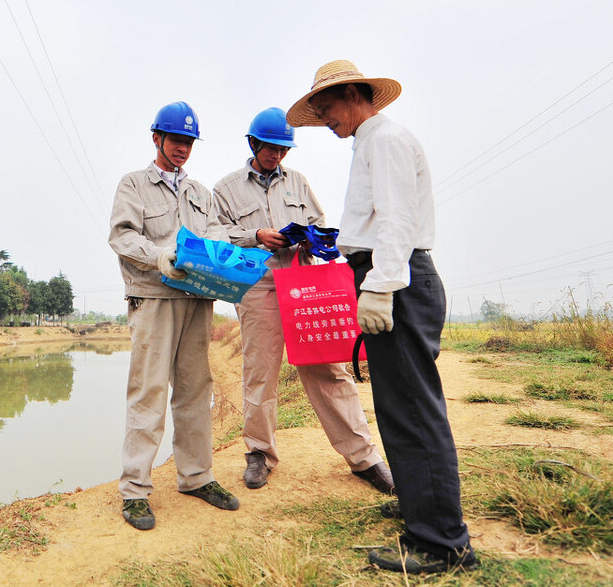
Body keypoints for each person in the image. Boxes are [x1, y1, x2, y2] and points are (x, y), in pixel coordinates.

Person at [286, 60, 479, 574]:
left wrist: (380, 286)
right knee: (397, 406)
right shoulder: (369, 143)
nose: (324, 119)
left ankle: (442, 544)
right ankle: (422, 508)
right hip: (384, 278)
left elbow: (397, 220)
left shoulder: (385, 140)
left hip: (396, 281)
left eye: (326, 109)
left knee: (413, 408)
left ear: (353, 94)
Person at [212, 108, 394, 495]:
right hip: (258, 287)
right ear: (253, 143)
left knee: (329, 369)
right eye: (270, 148)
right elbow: (216, 237)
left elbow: (319, 223)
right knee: (260, 371)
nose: (276, 155)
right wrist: (256, 235)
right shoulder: (225, 189)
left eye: (282, 149)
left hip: (304, 286)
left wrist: (310, 237)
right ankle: (259, 453)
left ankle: (363, 457)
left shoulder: (298, 183)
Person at [108, 101, 240, 531]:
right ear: (156, 139)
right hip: (154, 298)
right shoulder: (133, 184)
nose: (183, 148)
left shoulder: (201, 193)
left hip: (197, 300)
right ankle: (135, 490)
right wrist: (160, 255)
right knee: (147, 391)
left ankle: (197, 477)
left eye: (188, 142)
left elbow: (216, 231)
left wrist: (223, 252)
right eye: (176, 140)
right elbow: (122, 236)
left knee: (195, 389)